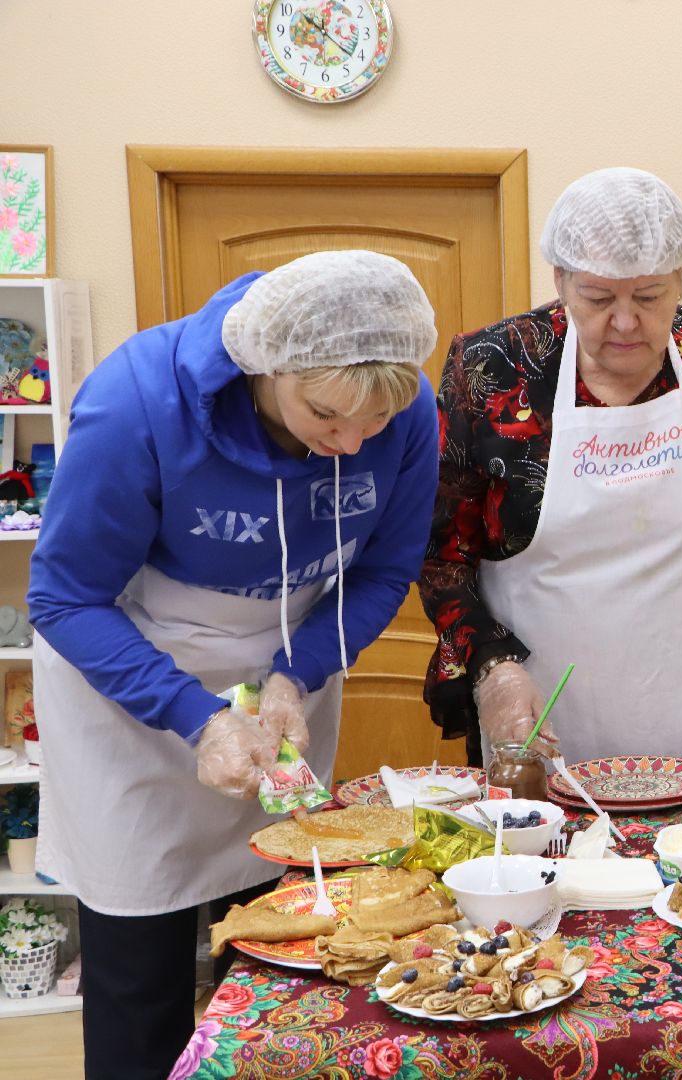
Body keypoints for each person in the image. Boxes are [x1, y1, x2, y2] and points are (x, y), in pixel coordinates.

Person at [26, 250, 440, 1080]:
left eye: (372, 427)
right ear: (266, 364)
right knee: (141, 973)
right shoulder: (137, 401)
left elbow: (384, 569)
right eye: (326, 414)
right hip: (131, 681)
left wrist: (297, 671)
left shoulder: (405, 406)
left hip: (288, 672)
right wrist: (200, 715)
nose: (350, 443)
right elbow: (65, 597)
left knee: (278, 956)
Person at [421, 167, 682, 773]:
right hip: (540, 732)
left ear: (679, 280)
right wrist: (491, 672)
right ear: (561, 280)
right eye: (599, 298)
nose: (625, 323)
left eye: (650, 297)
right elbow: (444, 557)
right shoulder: (494, 366)